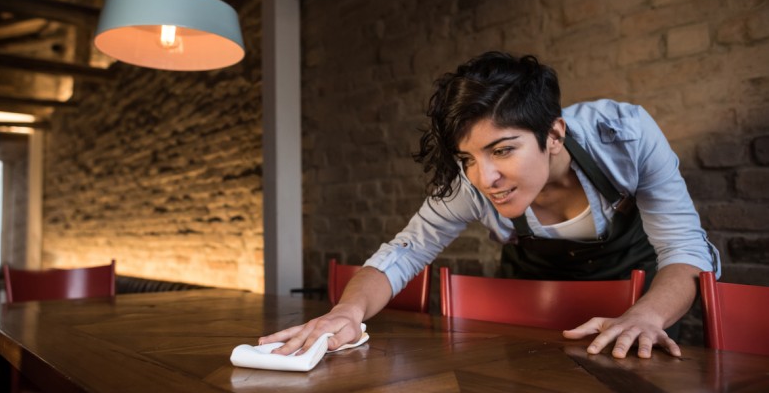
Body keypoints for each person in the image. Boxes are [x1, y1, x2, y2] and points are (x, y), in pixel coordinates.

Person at [260, 51, 720, 359]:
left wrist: (647, 314)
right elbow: (403, 253)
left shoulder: (625, 135)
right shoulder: (470, 183)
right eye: (467, 158)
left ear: (554, 136)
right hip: (531, 298)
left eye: (502, 150)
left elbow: (684, 248)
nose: (485, 178)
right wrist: (346, 312)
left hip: (639, 293)